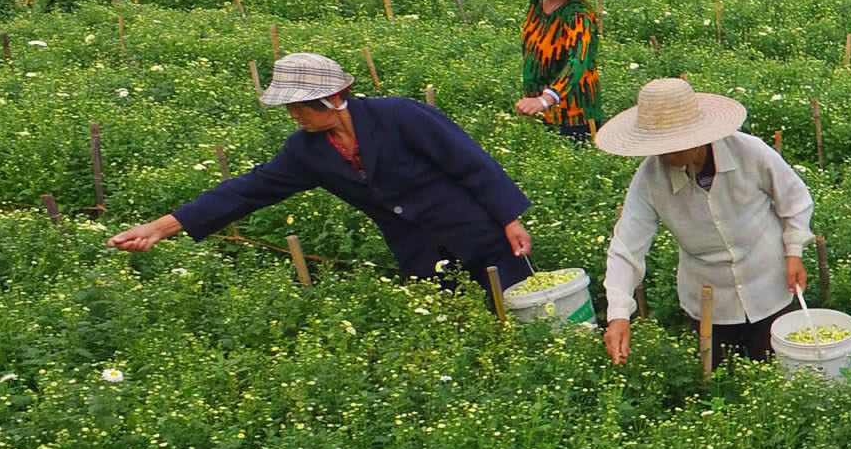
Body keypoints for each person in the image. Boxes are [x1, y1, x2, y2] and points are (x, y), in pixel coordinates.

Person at [107, 52, 532, 302]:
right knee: (459, 333)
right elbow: (245, 191)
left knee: (524, 313)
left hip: (480, 235)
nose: (294, 114)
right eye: (289, 106)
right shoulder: (306, 152)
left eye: (302, 105)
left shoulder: (399, 115)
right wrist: (159, 229)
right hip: (420, 255)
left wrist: (510, 219)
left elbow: (470, 161)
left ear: (332, 99)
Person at [595, 78, 814, 366]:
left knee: (775, 369)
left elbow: (795, 201)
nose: (665, 154)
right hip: (708, 298)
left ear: (697, 136)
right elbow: (626, 247)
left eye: (673, 146)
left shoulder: (749, 152)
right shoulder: (650, 177)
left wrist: (794, 252)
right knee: (719, 381)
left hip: (768, 284)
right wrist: (618, 314)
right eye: (658, 146)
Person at [511, 0, 601, 143]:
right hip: (540, 110)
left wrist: (546, 99)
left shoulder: (578, 14)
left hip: (575, 116)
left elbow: (579, 61)